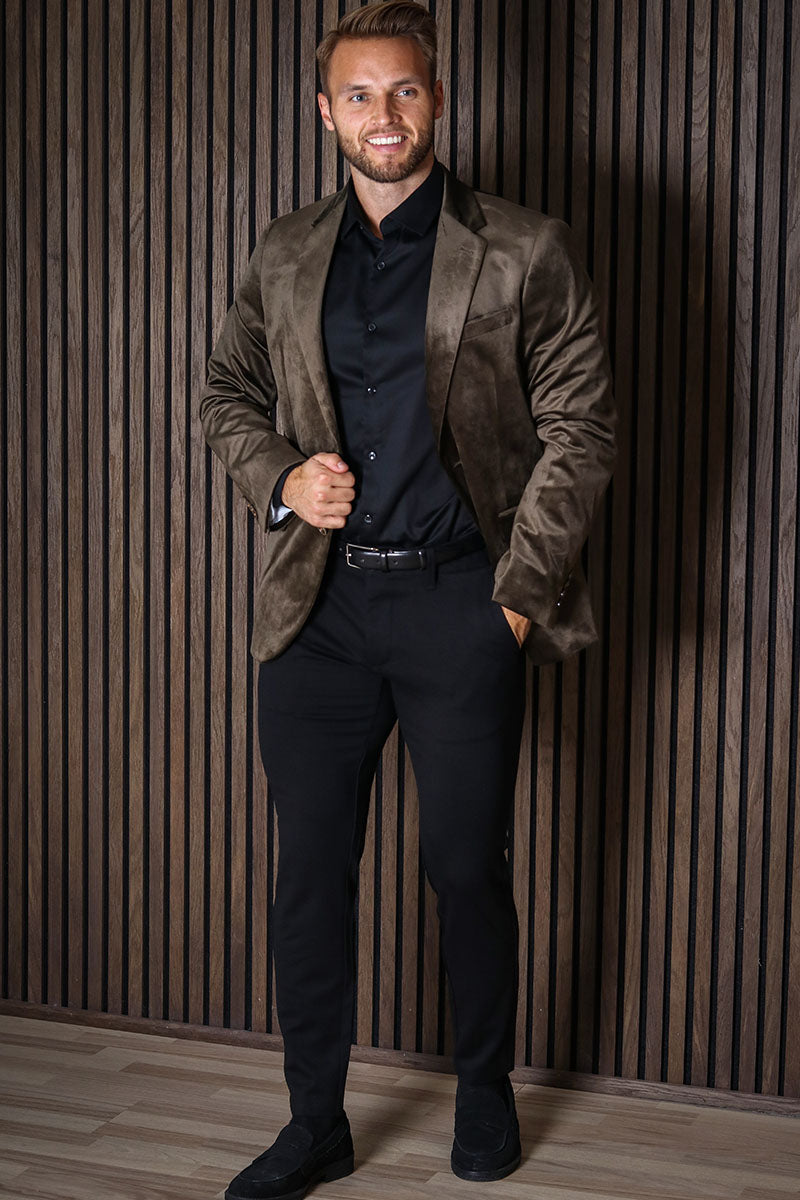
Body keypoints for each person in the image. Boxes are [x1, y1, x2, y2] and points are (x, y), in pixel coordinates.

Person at [199, 3, 616, 1196]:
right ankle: (314, 1124)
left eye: (404, 91)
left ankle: (482, 1091)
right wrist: (282, 477)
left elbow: (581, 429)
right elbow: (226, 394)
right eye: (359, 95)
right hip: (318, 613)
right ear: (323, 110)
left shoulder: (524, 247)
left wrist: (514, 600)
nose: (382, 115)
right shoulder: (283, 251)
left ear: (435, 99)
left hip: (458, 603)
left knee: (463, 867)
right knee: (308, 874)